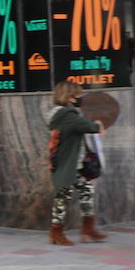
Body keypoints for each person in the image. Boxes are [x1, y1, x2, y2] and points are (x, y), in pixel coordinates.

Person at [47, 80, 107, 245]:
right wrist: (98, 125)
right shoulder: (67, 116)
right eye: (77, 95)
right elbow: (89, 126)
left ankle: (88, 229)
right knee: (62, 197)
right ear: (69, 97)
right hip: (67, 164)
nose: (80, 98)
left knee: (87, 190)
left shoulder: (62, 114)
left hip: (74, 163)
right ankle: (56, 232)